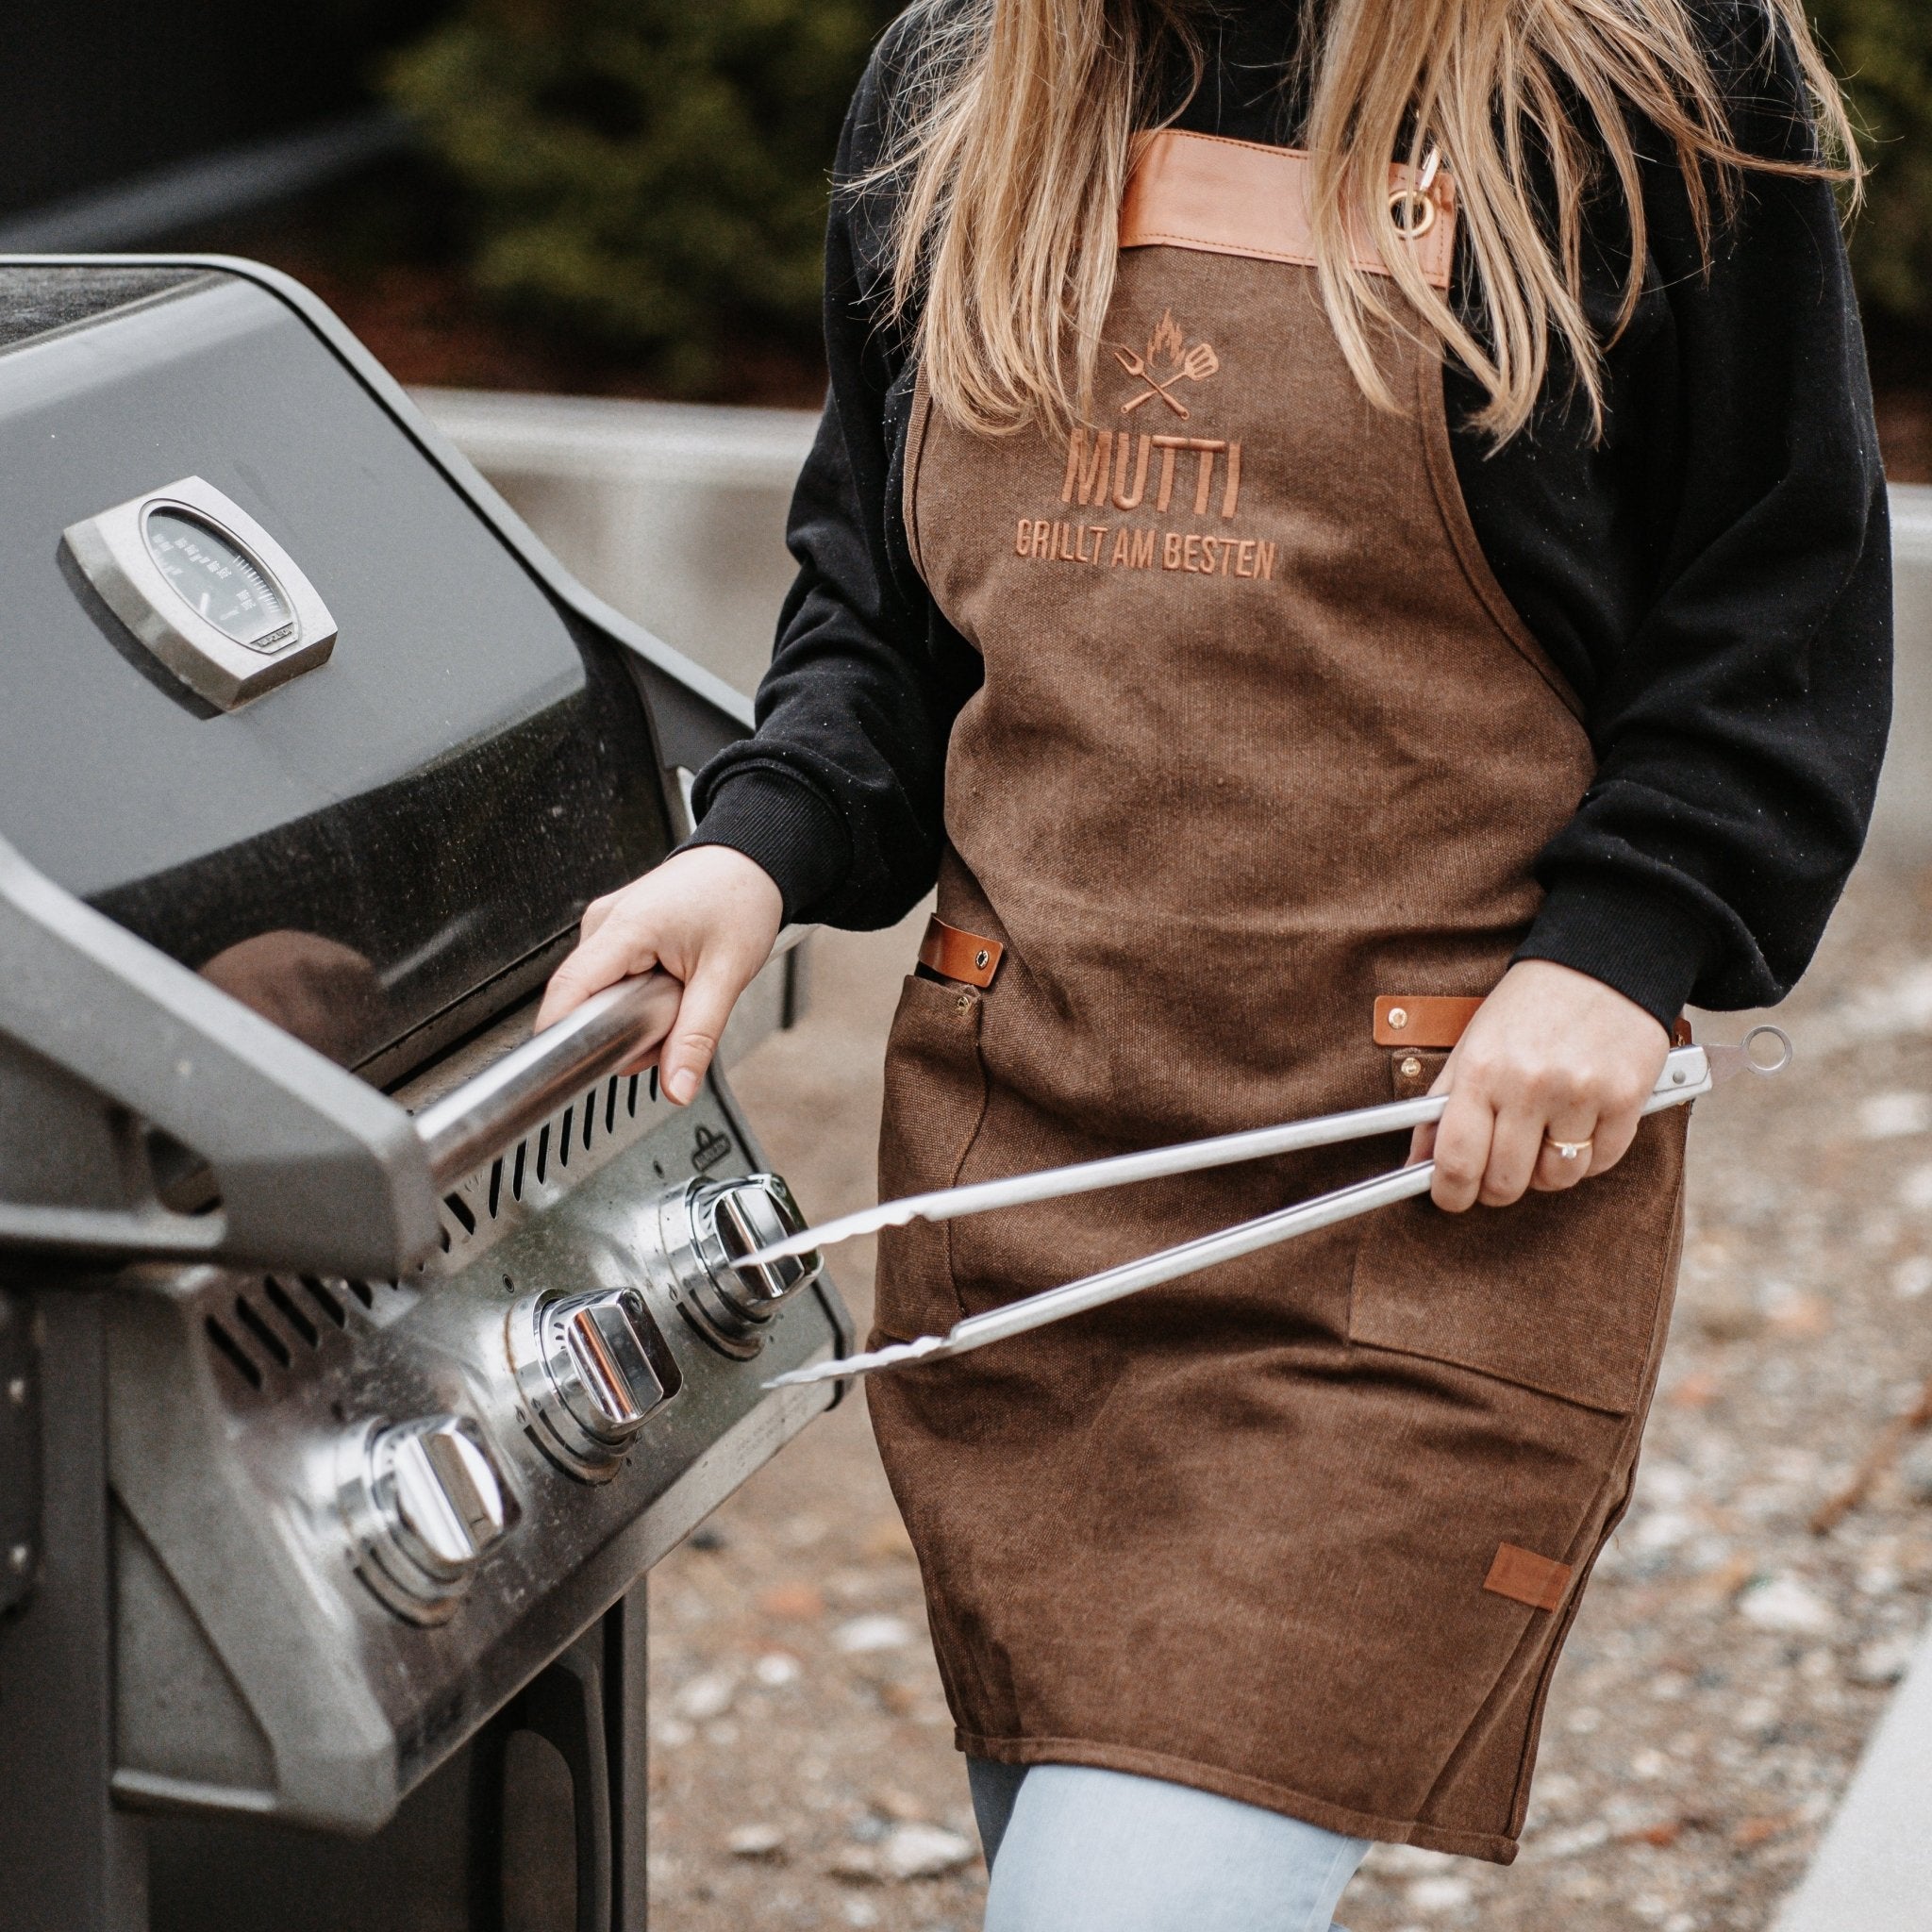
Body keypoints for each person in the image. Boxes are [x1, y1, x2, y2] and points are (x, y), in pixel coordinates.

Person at [537, 1, 1892, 1923]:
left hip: (1413, 1212)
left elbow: (1778, 587)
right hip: (1026, 1196)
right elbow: (879, 613)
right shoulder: (963, 72)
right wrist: (751, 847)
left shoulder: (1642, 73)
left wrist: (1621, 942)